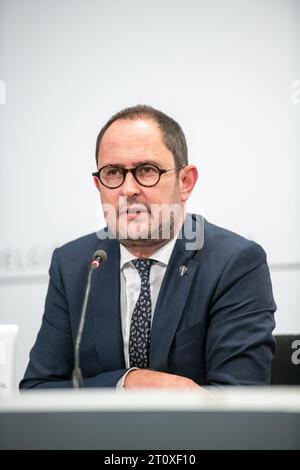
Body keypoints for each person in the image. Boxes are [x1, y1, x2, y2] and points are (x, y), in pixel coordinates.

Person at [20, 105, 276, 390]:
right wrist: (129, 382)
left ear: (185, 183)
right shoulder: (73, 264)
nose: (128, 189)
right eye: (114, 172)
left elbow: (240, 398)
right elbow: (38, 389)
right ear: (98, 185)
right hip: (98, 436)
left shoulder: (234, 263)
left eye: (146, 170)